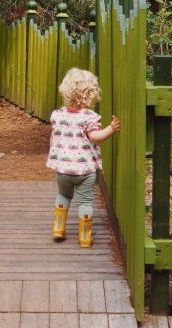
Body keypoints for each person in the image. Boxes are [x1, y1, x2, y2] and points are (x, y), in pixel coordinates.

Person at [46, 67, 120, 248]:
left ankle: (58, 227)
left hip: (63, 170)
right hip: (85, 171)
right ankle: (85, 237)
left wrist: (58, 155)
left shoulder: (58, 115)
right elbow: (95, 137)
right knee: (85, 202)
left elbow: (53, 139)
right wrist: (111, 129)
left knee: (63, 195)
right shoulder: (89, 118)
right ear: (90, 95)